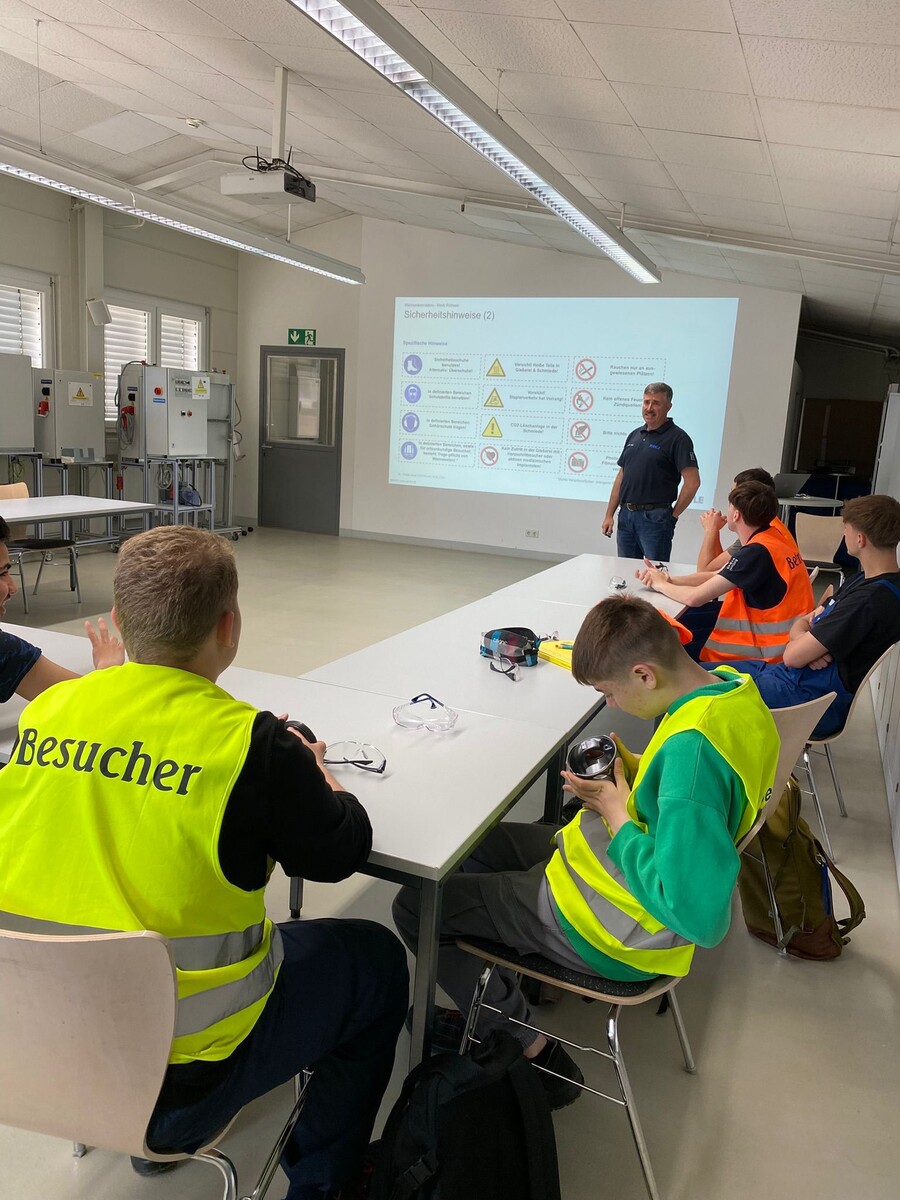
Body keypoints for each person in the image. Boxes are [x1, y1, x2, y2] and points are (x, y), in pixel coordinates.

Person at [0, 526, 408, 1200]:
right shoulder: (253, 745)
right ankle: (322, 1185)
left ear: (119, 622)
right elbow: (340, 853)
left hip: (31, 1051)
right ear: (229, 627)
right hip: (179, 1085)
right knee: (377, 960)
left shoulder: (51, 711)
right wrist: (320, 775)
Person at [392, 596, 778, 1109]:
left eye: (608, 692)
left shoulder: (692, 757)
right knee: (477, 844)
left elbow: (699, 918)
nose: (610, 705)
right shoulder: (733, 692)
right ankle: (505, 978)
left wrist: (616, 812)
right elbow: (703, 798)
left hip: (619, 929)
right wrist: (636, 771)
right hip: (616, 868)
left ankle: (526, 1046)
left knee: (416, 906)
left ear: (643, 674)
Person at [732, 495, 900, 739]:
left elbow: (791, 656)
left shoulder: (868, 600)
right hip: (798, 683)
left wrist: (803, 643)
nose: (844, 534)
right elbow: (802, 621)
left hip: (806, 700)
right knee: (703, 672)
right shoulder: (868, 581)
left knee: (696, 684)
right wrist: (806, 639)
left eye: (846, 529)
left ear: (860, 539)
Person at [637, 480, 814, 663]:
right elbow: (718, 576)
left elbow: (694, 598)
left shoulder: (755, 553)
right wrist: (670, 580)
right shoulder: (773, 538)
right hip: (785, 640)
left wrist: (660, 584)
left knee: (666, 650)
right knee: (685, 623)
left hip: (761, 653)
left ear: (736, 515)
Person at [676, 469, 803, 653]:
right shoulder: (772, 532)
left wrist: (711, 530)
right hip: (778, 630)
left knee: (676, 634)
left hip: (762, 644)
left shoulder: (757, 548)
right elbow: (724, 570)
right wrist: (668, 579)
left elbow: (704, 573)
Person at [0, 514, 124, 702]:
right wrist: (107, 670)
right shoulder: (6, 651)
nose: (13, 588)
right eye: (2, 574)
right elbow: (88, 699)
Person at [601, 382, 700, 561]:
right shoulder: (634, 435)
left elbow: (693, 482)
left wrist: (672, 516)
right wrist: (609, 515)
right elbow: (621, 476)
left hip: (655, 519)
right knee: (626, 570)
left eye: (656, 403)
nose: (649, 408)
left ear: (668, 406)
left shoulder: (678, 438)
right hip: (626, 516)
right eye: (646, 402)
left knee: (655, 571)